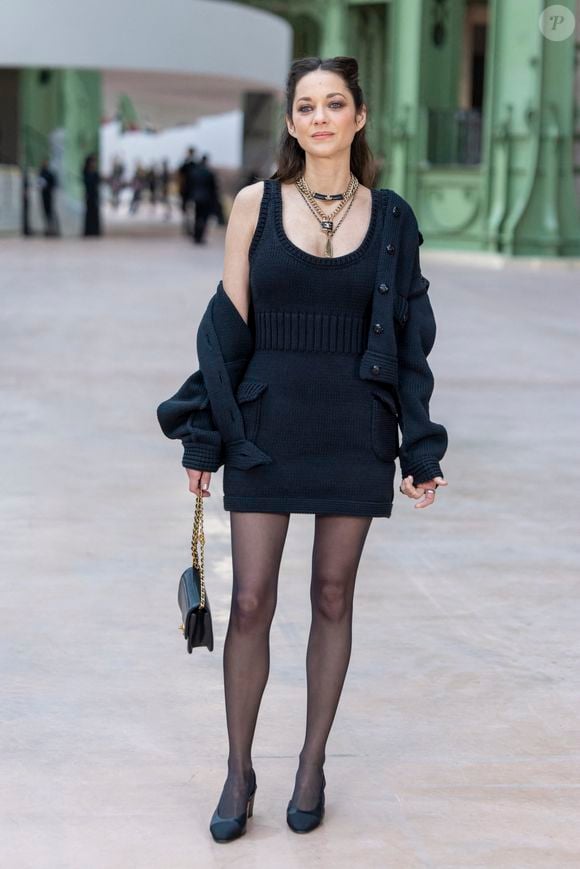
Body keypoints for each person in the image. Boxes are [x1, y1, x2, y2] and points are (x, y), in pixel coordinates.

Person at [157, 55, 449, 843]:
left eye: (335, 104)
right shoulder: (254, 204)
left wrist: (419, 448)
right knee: (251, 599)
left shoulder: (392, 218)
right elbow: (227, 328)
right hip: (265, 423)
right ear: (292, 123)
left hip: (355, 427)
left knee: (332, 596)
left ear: (358, 118)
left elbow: (411, 343)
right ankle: (239, 766)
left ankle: (312, 761)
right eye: (305, 106)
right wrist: (205, 432)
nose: (320, 117)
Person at [177, 147, 197, 236]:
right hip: (191, 191)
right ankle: (189, 227)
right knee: (190, 210)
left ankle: (188, 227)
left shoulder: (186, 164)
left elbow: (180, 176)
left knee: (187, 210)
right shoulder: (196, 164)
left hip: (187, 191)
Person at [38, 159, 59, 236]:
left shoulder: (50, 173)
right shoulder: (41, 172)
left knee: (51, 212)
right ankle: (48, 229)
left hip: (49, 195)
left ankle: (53, 229)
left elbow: (54, 183)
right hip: (43, 195)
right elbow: (39, 183)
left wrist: (49, 187)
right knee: (45, 212)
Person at [82, 154, 101, 236]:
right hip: (89, 195)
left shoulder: (95, 172)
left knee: (95, 213)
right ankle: (89, 231)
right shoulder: (86, 172)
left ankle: (95, 231)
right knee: (89, 213)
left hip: (94, 195)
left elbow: (97, 182)